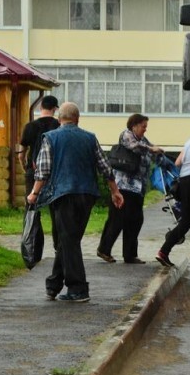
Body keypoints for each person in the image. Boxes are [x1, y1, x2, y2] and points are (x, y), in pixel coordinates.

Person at [27, 102, 124, 303]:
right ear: (77, 119)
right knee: (69, 240)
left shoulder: (51, 138)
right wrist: (115, 191)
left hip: (63, 194)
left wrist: (34, 193)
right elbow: (105, 167)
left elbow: (43, 170)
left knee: (68, 240)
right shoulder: (90, 138)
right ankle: (53, 284)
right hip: (87, 194)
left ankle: (78, 289)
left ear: (59, 119)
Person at [97, 113, 165, 265]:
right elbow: (135, 147)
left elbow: (150, 152)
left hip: (137, 188)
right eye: (143, 126)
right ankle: (104, 249)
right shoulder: (126, 135)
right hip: (122, 186)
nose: (145, 130)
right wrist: (152, 149)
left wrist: (160, 155)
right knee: (117, 219)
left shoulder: (143, 141)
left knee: (135, 220)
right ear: (134, 125)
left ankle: (130, 255)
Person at [18, 95, 60, 251]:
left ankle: (30, 245)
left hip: (34, 172)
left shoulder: (30, 126)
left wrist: (25, 167)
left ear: (41, 107)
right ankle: (58, 246)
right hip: (54, 173)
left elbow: (21, 154)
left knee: (31, 207)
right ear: (55, 109)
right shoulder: (58, 125)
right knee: (56, 210)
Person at [155, 134, 190, 268]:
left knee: (188, 220)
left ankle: (164, 251)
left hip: (184, 181)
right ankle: (164, 249)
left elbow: (178, 163)